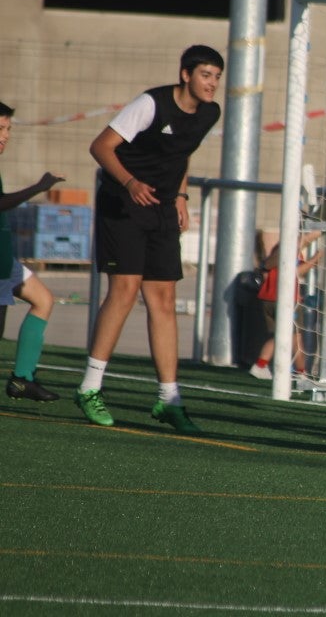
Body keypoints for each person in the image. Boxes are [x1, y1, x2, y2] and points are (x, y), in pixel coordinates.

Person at [74, 44, 224, 433]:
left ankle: (169, 400)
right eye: (206, 74)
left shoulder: (210, 113)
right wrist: (130, 182)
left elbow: (182, 153)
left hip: (160, 207)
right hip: (123, 202)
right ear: (186, 74)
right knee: (124, 290)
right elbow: (100, 146)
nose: (212, 83)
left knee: (164, 298)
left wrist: (180, 196)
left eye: (217, 77)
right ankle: (90, 388)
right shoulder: (151, 103)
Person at [0, 101, 65, 402]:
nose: (5, 135)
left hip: (4, 259)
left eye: (8, 129)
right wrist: (38, 188)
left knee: (43, 299)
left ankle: (23, 380)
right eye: (0, 128)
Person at [249, 231, 322, 382]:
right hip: (284, 299)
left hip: (268, 298)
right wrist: (316, 258)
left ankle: (299, 373)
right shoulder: (289, 248)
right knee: (289, 338)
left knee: (289, 338)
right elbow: (296, 271)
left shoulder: (280, 249)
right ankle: (262, 366)